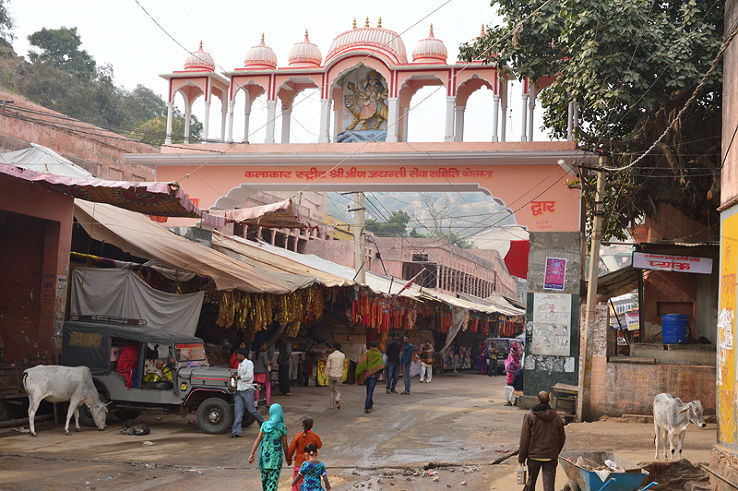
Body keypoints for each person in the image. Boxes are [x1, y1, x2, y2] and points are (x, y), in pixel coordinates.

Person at [518, 391, 566, 491]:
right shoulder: (556, 417)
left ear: (537, 400)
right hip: (550, 456)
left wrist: (522, 458)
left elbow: (524, 439)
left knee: (531, 482)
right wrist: (555, 452)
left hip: (534, 456)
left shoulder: (530, 416)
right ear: (549, 400)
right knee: (549, 486)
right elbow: (562, 438)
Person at [249, 403, 291, 491]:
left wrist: (252, 454)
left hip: (265, 459)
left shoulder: (264, 425)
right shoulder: (282, 428)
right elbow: (285, 445)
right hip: (276, 460)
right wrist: (288, 458)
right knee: (272, 483)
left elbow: (258, 440)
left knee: (265, 481)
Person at [232, 348, 265, 437]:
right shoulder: (240, 364)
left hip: (247, 390)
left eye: (237, 355)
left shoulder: (249, 363)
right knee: (238, 412)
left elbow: (249, 376)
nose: (236, 357)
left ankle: (264, 426)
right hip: (239, 390)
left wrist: (238, 377)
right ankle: (236, 431)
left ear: (242, 355)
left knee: (252, 410)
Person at [288, 417, 323, 491]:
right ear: (312, 425)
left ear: (302, 425)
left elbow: (291, 449)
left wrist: (289, 460)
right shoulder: (314, 436)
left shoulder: (298, 436)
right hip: (311, 465)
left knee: (298, 485)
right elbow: (319, 445)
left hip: (299, 464)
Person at [355, 341, 384, 414]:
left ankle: (370, 404)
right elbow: (381, 366)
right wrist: (380, 374)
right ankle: (366, 407)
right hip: (374, 376)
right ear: (377, 346)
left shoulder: (367, 353)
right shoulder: (379, 354)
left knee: (368, 391)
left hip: (367, 375)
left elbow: (362, 364)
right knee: (370, 391)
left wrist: (358, 374)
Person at [325, 343, 345, 410]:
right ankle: (337, 398)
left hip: (331, 375)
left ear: (334, 348)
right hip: (339, 375)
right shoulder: (343, 356)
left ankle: (331, 406)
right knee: (338, 390)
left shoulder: (331, 355)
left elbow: (327, 367)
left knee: (331, 391)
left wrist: (325, 376)